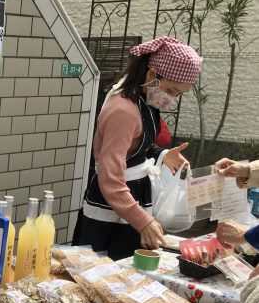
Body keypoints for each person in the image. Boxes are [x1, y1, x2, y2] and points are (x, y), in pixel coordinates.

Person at [74, 37, 203, 260]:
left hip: (132, 200)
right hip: (112, 207)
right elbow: (110, 179)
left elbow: (134, 142)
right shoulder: (122, 111)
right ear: (152, 75)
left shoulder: (142, 100)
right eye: (172, 90)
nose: (172, 99)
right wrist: (143, 220)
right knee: (102, 273)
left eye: (179, 94)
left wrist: (160, 154)